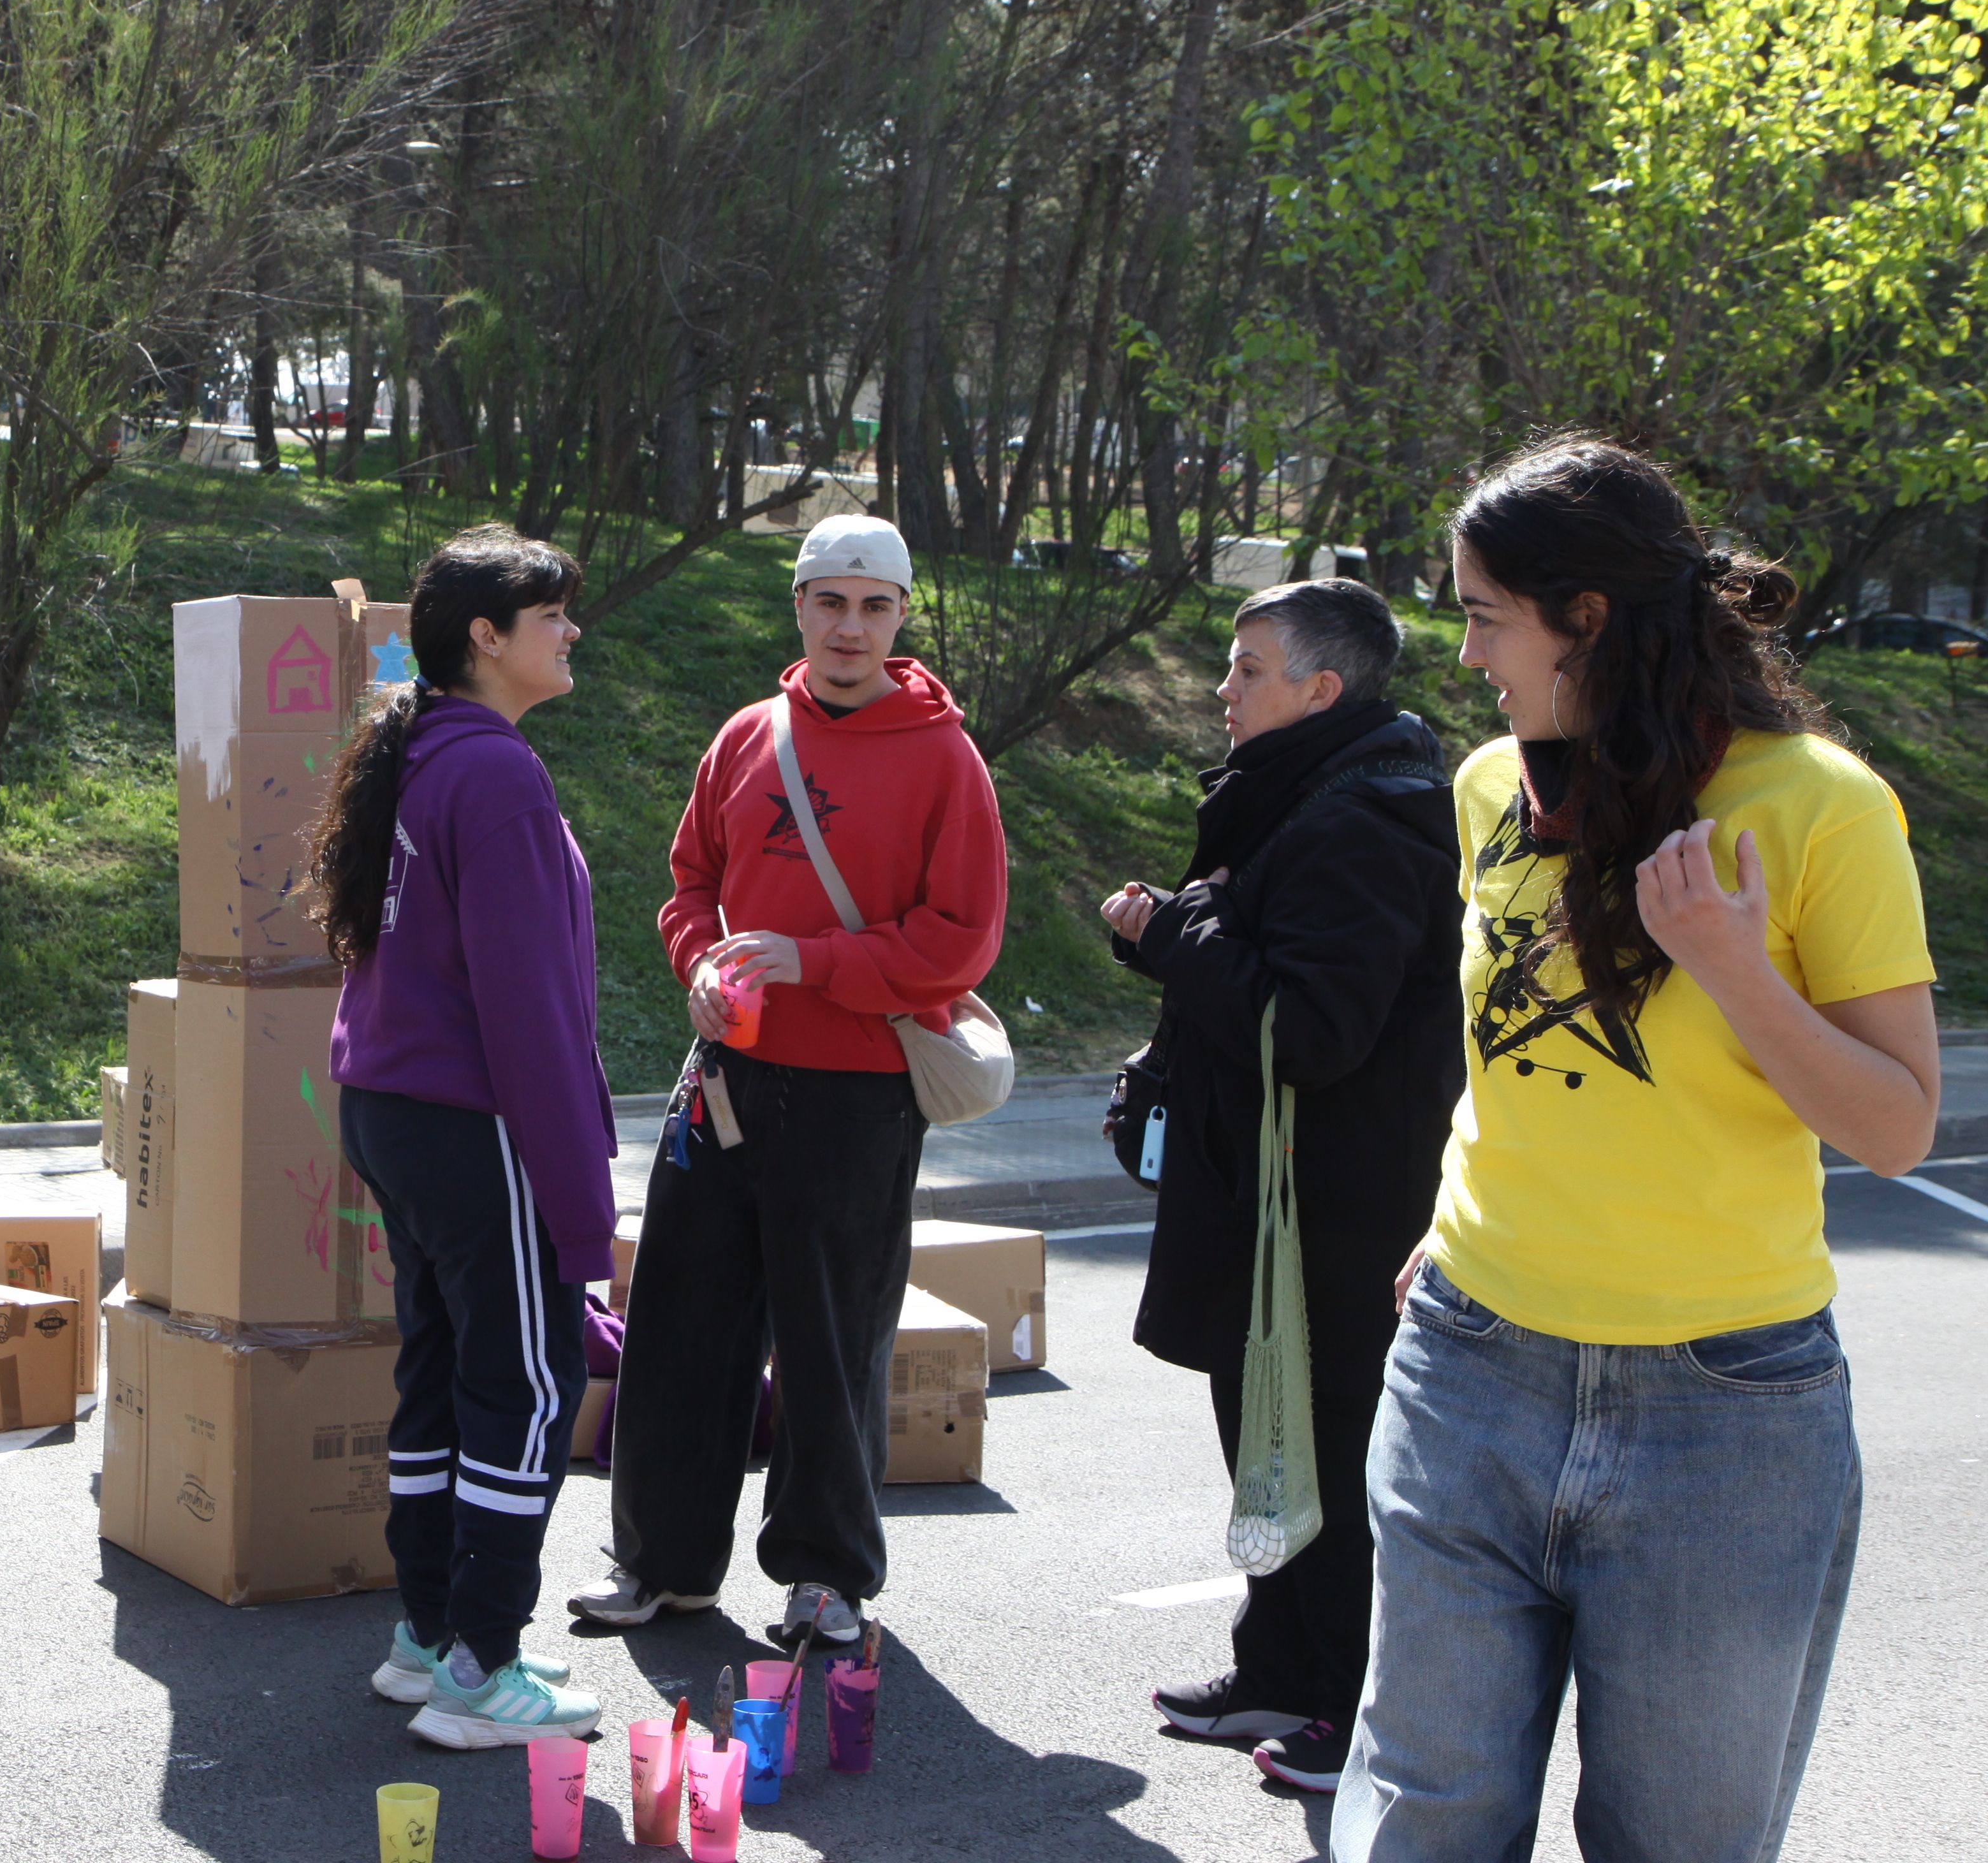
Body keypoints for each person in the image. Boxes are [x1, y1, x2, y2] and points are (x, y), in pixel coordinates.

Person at [1331, 441, 1940, 1859]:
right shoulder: (1490, 786)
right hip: (1470, 1368)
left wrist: (1730, 964)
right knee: (1420, 1825)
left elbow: (1898, 1126)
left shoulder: (1821, 807)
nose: (1466, 650)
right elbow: (1499, 1052)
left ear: (1588, 614)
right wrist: (1451, 1223)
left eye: (1487, 615)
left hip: (1721, 1418)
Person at [571, 514, 1006, 1648]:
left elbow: (960, 941)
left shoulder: (945, 756)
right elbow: (688, 889)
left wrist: (812, 962)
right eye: (831, 601)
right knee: (676, 1330)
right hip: (724, 1081)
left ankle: (826, 1581)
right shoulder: (747, 734)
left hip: (858, 1095)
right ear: (799, 606)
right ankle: (662, 1565)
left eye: (875, 605)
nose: (850, 626)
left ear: (902, 616)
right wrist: (700, 970)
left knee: (831, 1346)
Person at [1095, 578, 1461, 1795]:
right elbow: (1249, 950)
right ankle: (1279, 1671)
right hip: (1270, 1208)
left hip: (1336, 1219)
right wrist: (1185, 935)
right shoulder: (1307, 792)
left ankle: (1348, 1711)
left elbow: (1310, 1031)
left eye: (1247, 669)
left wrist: (1170, 935)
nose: (1221, 690)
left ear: (1323, 689)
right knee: (1271, 1451)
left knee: (1328, 1464)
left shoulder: (1364, 819)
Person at [314, 525, 618, 1750]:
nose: (571, 629)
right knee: (526, 1389)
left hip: (396, 1110)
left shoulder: (428, 753)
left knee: (444, 1374)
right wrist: (583, 1221)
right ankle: (483, 1672)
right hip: (468, 1115)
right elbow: (528, 1010)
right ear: (486, 638)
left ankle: (429, 1636)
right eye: (551, 613)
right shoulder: (492, 773)